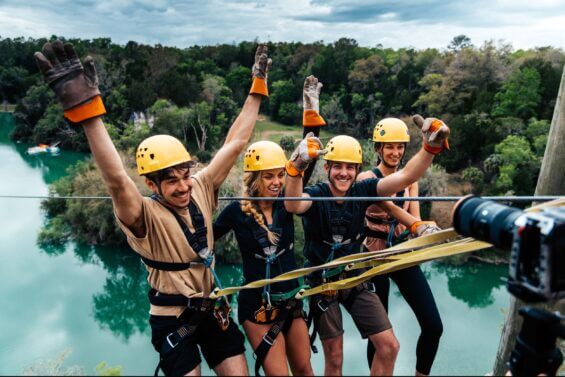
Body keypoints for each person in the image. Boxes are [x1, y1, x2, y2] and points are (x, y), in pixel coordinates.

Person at [34, 40, 272, 376]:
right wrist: (87, 111)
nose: (183, 186)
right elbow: (116, 179)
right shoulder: (142, 215)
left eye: (184, 175)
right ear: (152, 185)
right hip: (174, 320)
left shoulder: (201, 186)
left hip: (213, 309)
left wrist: (257, 87)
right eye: (171, 181)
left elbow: (235, 143)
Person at [283, 115, 450, 376]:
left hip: (356, 275)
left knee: (388, 346)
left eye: (350, 168)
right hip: (325, 282)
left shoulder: (363, 190)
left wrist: (430, 148)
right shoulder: (319, 194)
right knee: (335, 357)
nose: (344, 173)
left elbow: (406, 176)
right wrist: (296, 167)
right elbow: (293, 204)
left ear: (356, 169)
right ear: (326, 169)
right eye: (337, 167)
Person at [213, 75, 326, 376]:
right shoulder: (237, 211)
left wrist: (311, 110)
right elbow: (205, 239)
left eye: (279, 175)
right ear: (254, 179)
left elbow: (305, 160)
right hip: (257, 309)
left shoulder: (286, 204)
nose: (277, 183)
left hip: (291, 302)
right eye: (268, 177)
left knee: (305, 371)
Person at [357, 118, 444, 376]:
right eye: (389, 147)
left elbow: (412, 219)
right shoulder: (366, 178)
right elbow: (388, 205)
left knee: (433, 325)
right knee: (380, 335)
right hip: (374, 256)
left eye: (400, 147)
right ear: (378, 148)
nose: (395, 152)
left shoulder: (410, 181)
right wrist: (418, 226)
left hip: (402, 252)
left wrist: (428, 234)